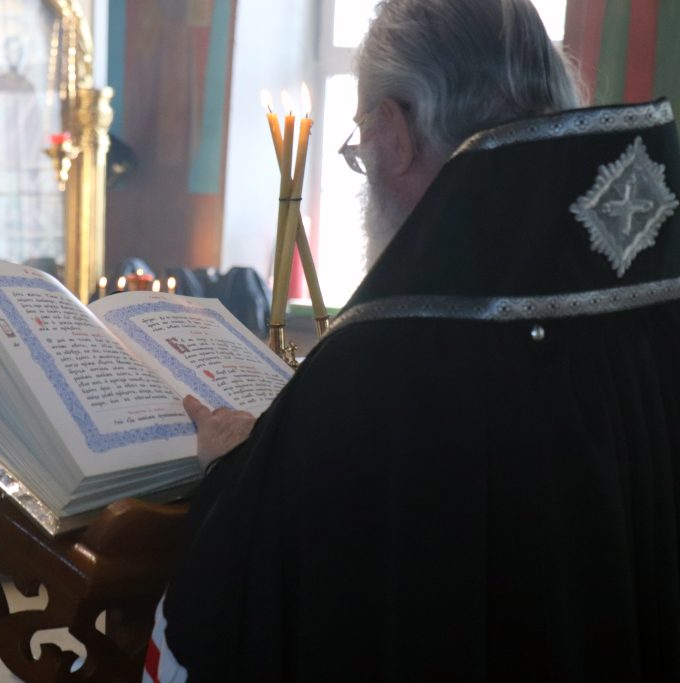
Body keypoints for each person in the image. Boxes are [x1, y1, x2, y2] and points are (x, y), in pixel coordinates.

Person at [145, 0, 680, 680]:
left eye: (360, 144)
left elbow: (246, 604)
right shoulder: (655, 308)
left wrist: (235, 472)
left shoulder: (383, 362)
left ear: (393, 133)